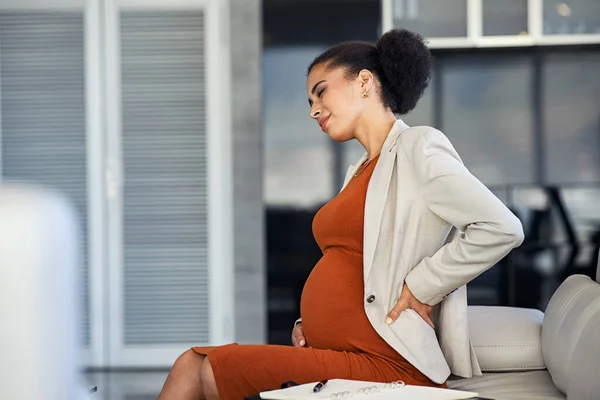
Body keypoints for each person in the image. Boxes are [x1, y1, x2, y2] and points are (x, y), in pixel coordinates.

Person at [157, 28, 524, 400]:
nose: (313, 109)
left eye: (321, 92)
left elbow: (501, 227)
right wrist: (309, 322)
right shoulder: (362, 168)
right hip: (343, 352)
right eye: (309, 100)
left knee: (205, 369)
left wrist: (423, 286)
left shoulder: (418, 147)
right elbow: (361, 265)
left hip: (389, 361)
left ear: (363, 82)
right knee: (192, 364)